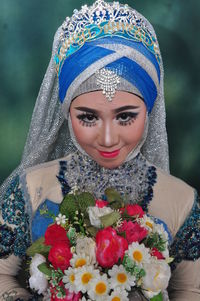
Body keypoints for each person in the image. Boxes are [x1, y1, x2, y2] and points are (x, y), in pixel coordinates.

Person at [0, 0, 199, 300]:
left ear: (150, 110)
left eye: (125, 116)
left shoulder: (181, 200)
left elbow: (191, 290)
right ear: (67, 113)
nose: (108, 139)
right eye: (88, 117)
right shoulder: (30, 188)